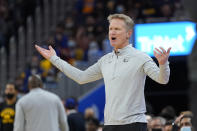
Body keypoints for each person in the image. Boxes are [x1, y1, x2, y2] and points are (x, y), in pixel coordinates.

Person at [35, 13, 171, 131]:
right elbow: (81, 77)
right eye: (111, 28)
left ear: (128, 33)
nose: (112, 32)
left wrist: (163, 64)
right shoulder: (105, 60)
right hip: (110, 125)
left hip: (134, 124)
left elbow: (163, 79)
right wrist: (54, 59)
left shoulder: (141, 57)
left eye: (117, 29)